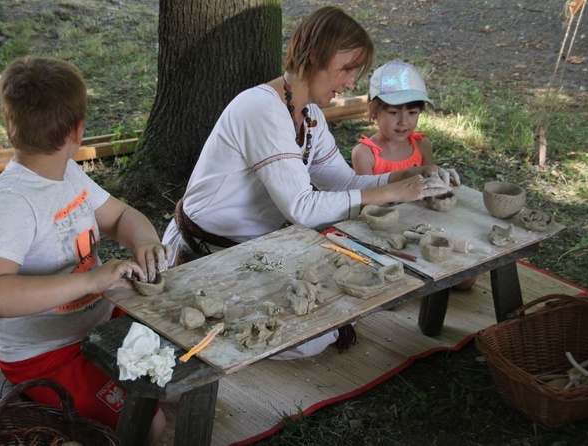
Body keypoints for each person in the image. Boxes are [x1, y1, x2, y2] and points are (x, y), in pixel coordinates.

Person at [162, 6, 457, 358]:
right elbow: (301, 207)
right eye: (347, 69)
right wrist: (391, 191)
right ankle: (193, 308)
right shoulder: (260, 108)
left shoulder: (311, 116)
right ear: (314, 57)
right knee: (312, 334)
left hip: (250, 249)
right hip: (203, 251)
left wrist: (403, 175)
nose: (351, 83)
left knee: (333, 309)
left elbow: (342, 180)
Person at [0, 56, 172, 444]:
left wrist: (143, 239)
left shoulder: (66, 173)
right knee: (147, 423)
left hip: (99, 324)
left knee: (175, 370)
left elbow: (120, 216)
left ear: (10, 125)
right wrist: (91, 280)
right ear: (77, 130)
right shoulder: (11, 202)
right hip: (47, 353)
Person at [351, 61, 475, 290]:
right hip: (384, 234)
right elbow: (365, 207)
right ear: (373, 110)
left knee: (467, 281)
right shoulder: (365, 154)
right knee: (392, 286)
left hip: (421, 226)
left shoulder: (422, 145)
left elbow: (432, 189)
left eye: (412, 112)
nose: (403, 121)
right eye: (393, 111)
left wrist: (446, 185)